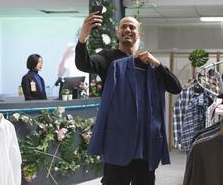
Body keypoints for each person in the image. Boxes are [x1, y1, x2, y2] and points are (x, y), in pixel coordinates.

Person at [75, 13, 182, 185]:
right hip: (118, 143)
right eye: (123, 27)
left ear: (139, 34)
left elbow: (176, 87)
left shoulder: (149, 65)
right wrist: (83, 35)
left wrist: (158, 64)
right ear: (118, 33)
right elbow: (83, 64)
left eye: (132, 27)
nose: (127, 30)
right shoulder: (108, 58)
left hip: (145, 144)